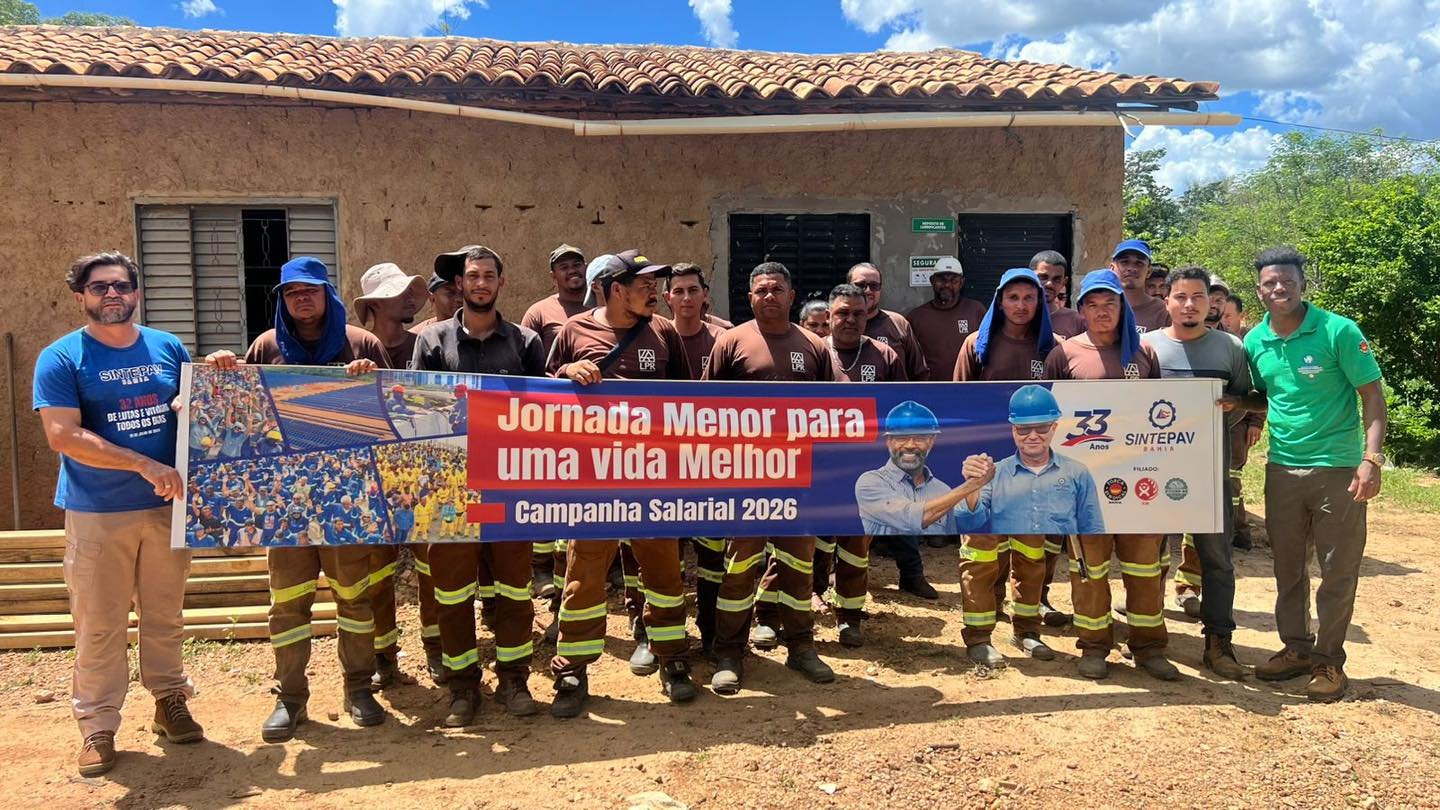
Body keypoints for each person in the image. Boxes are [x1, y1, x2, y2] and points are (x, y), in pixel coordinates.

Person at [205, 256, 391, 741]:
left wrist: (369, 379)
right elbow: (242, 417)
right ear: (282, 300)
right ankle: (290, 699)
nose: (300, 299)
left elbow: (395, 413)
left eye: (309, 290)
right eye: (290, 293)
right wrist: (222, 373)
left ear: (326, 293)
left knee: (355, 598)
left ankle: (358, 689)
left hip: (345, 499)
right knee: (287, 604)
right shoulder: (267, 346)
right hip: (285, 506)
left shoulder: (362, 342)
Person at [34, 251, 202, 777]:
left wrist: (205, 389)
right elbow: (62, 435)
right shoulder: (61, 358)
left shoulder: (167, 346)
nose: (113, 294)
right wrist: (140, 462)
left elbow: (191, 406)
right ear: (80, 295)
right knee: (100, 623)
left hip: (165, 508)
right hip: (98, 511)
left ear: (136, 292)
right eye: (100, 286)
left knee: (164, 615)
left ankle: (169, 701)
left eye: (122, 286)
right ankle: (98, 726)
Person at [547, 250, 698, 716]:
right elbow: (538, 395)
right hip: (593, 481)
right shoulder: (573, 331)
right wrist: (566, 373)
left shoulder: (664, 332)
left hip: (653, 478)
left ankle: (673, 660)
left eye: (656, 284)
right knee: (583, 579)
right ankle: (572, 671)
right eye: (644, 285)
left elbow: (688, 403)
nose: (655, 291)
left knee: (665, 575)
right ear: (616, 289)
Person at [1244, 246, 1386, 702]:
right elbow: (1267, 398)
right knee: (1287, 567)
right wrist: (1233, 403)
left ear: (1303, 283)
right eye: (1269, 283)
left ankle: (1329, 662)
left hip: (1339, 469)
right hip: (1282, 468)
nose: (1278, 288)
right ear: (1259, 290)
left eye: (1286, 280)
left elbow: (1373, 397)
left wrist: (1371, 459)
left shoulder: (1338, 331)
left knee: (1336, 570)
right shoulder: (1254, 341)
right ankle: (1296, 650)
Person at [411, 244, 545, 726]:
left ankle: (514, 680)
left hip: (510, 490)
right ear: (459, 285)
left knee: (513, 589)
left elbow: (543, 415)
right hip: (451, 491)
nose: (481, 283)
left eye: (489, 275)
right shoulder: (431, 342)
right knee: (451, 593)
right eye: (473, 276)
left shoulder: (526, 343)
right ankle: (463, 688)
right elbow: (417, 413)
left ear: (501, 283)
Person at [703, 262, 841, 693]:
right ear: (750, 297)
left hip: (798, 479)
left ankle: (801, 647)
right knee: (741, 566)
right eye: (761, 290)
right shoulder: (731, 341)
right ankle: (729, 652)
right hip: (746, 478)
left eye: (777, 289)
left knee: (798, 567)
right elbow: (706, 409)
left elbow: (833, 410)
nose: (769, 296)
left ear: (791, 294)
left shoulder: (814, 344)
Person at [1043, 269, 1177, 681]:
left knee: (1144, 568)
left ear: (1123, 307)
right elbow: (1047, 422)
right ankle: (1095, 645)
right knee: (1088, 569)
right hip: (1085, 487)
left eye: (1111, 303)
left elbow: (1161, 420)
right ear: (1081, 310)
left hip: (1139, 483)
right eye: (1093, 305)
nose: (1103, 312)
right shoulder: (1064, 355)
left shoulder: (1143, 355)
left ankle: (1149, 646)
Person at [1142, 265, 1263, 680]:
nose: (1189, 304)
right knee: (1149, 555)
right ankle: (1146, 635)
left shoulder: (1230, 348)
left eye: (1198, 297)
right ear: (1167, 301)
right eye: (1181, 296)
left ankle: (1218, 642)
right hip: (1153, 469)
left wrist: (1237, 405)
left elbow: (1255, 399)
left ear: (1212, 302)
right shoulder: (1147, 347)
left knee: (1217, 558)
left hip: (1209, 469)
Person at [950, 268, 1069, 665]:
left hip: (1036, 469)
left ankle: (1027, 631)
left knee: (1031, 556)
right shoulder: (976, 346)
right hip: (986, 469)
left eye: (1029, 298)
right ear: (1000, 302)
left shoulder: (1054, 349)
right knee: (981, 556)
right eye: (1013, 297)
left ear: (1041, 304)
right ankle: (979, 636)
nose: (1021, 305)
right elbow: (959, 409)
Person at [813, 283, 905, 648]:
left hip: (867, 470)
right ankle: (811, 596)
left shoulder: (885, 356)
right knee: (812, 542)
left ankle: (849, 616)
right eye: (841, 313)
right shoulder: (814, 351)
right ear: (829, 317)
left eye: (858, 313)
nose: (850, 320)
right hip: (819, 468)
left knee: (855, 545)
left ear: (869, 314)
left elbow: (901, 413)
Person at [352, 261, 430, 690]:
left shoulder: (426, 345)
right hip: (371, 480)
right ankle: (384, 656)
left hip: (422, 475)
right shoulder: (352, 349)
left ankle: (435, 650)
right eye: (400, 294)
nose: (409, 300)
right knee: (376, 573)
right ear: (377, 305)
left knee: (432, 568)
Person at [664, 262, 731, 656]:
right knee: (662, 554)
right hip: (663, 466)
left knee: (712, 555)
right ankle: (652, 632)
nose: (686, 298)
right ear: (667, 297)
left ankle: (711, 631)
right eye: (679, 291)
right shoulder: (653, 336)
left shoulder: (724, 338)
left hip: (711, 467)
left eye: (693, 290)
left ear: (705, 294)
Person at [520, 244, 589, 600]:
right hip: (553, 418)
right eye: (564, 266)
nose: (572, 270)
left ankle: (589, 567)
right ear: (553, 276)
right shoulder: (539, 312)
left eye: (577, 263)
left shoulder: (603, 305)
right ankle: (542, 569)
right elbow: (531, 365)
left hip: (594, 423)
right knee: (548, 496)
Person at [1220, 293, 1263, 548]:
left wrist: (1256, 422)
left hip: (1239, 426)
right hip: (1217, 426)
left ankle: (1239, 532)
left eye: (1229, 316)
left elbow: (1260, 388)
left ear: (1241, 317)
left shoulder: (1247, 346)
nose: (1224, 320)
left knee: (1232, 481)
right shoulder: (1215, 341)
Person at [905, 256, 987, 382]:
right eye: (941, 280)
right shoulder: (916, 317)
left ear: (962, 282)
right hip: (929, 393)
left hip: (968, 390)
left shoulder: (976, 310)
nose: (947, 285)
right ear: (932, 280)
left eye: (953, 280)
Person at [846, 262, 928, 381]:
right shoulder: (838, 324)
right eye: (860, 285)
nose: (868, 291)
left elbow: (919, 374)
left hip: (893, 398)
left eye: (874, 286)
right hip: (848, 398)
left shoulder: (898, 324)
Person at [1109, 239, 1171, 333]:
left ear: (1149, 271)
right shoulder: (1101, 308)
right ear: (1112, 268)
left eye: (1139, 263)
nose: (1131, 268)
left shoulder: (1164, 311)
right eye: (1125, 262)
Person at [1030, 250, 1085, 338]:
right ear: (1030, 277)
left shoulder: (1077, 321)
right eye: (1043, 277)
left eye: (1057, 279)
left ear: (1064, 282)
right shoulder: (1018, 316)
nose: (1049, 284)